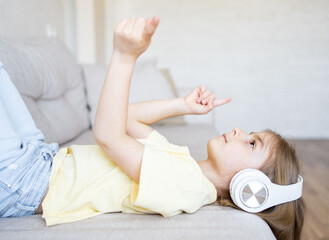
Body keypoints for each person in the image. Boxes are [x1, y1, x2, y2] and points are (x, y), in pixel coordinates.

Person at [0, 16, 305, 240]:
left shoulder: (182, 186)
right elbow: (127, 119)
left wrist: (124, 57)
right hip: (40, 157)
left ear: (252, 188)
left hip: (25, 181)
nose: (240, 132)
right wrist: (182, 105)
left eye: (252, 144)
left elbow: (108, 134)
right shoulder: (183, 163)